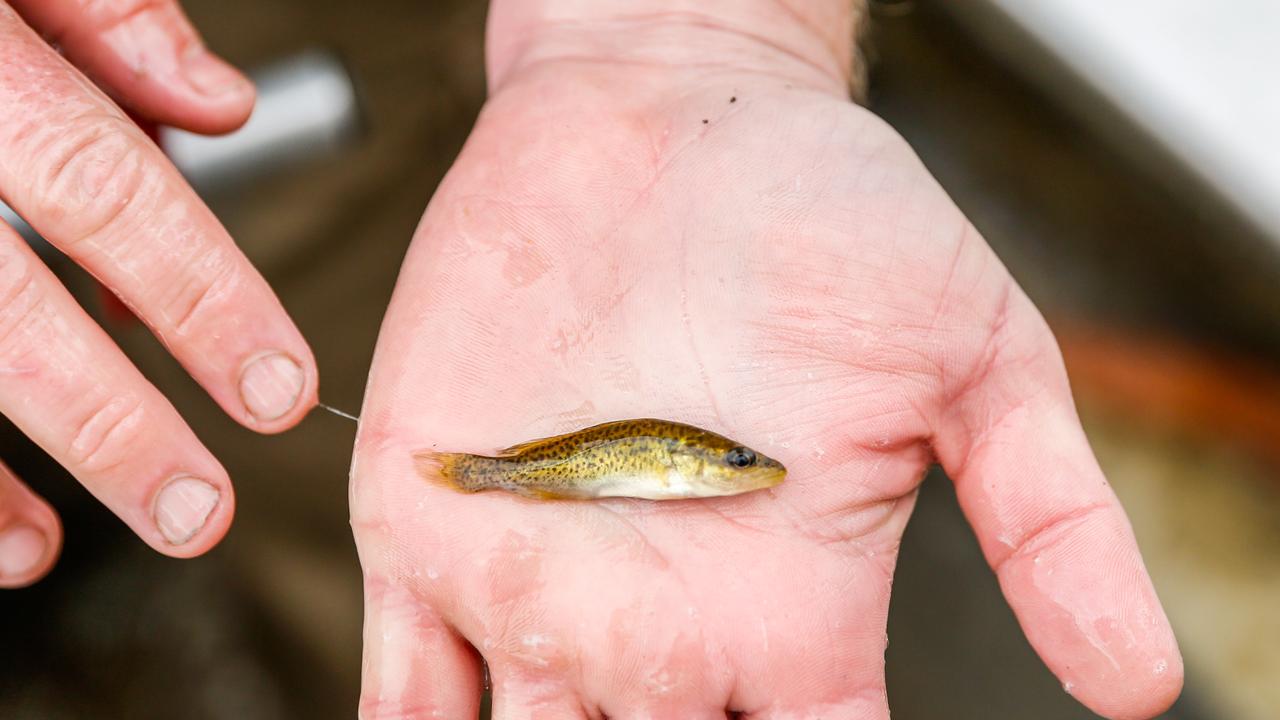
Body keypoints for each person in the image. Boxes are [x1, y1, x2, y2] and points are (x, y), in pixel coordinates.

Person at [0, 1, 1183, 718]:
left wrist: (689, 32)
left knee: (361, 439)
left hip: (309, 69)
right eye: (730, 461)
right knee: (317, 494)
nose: (735, 468)